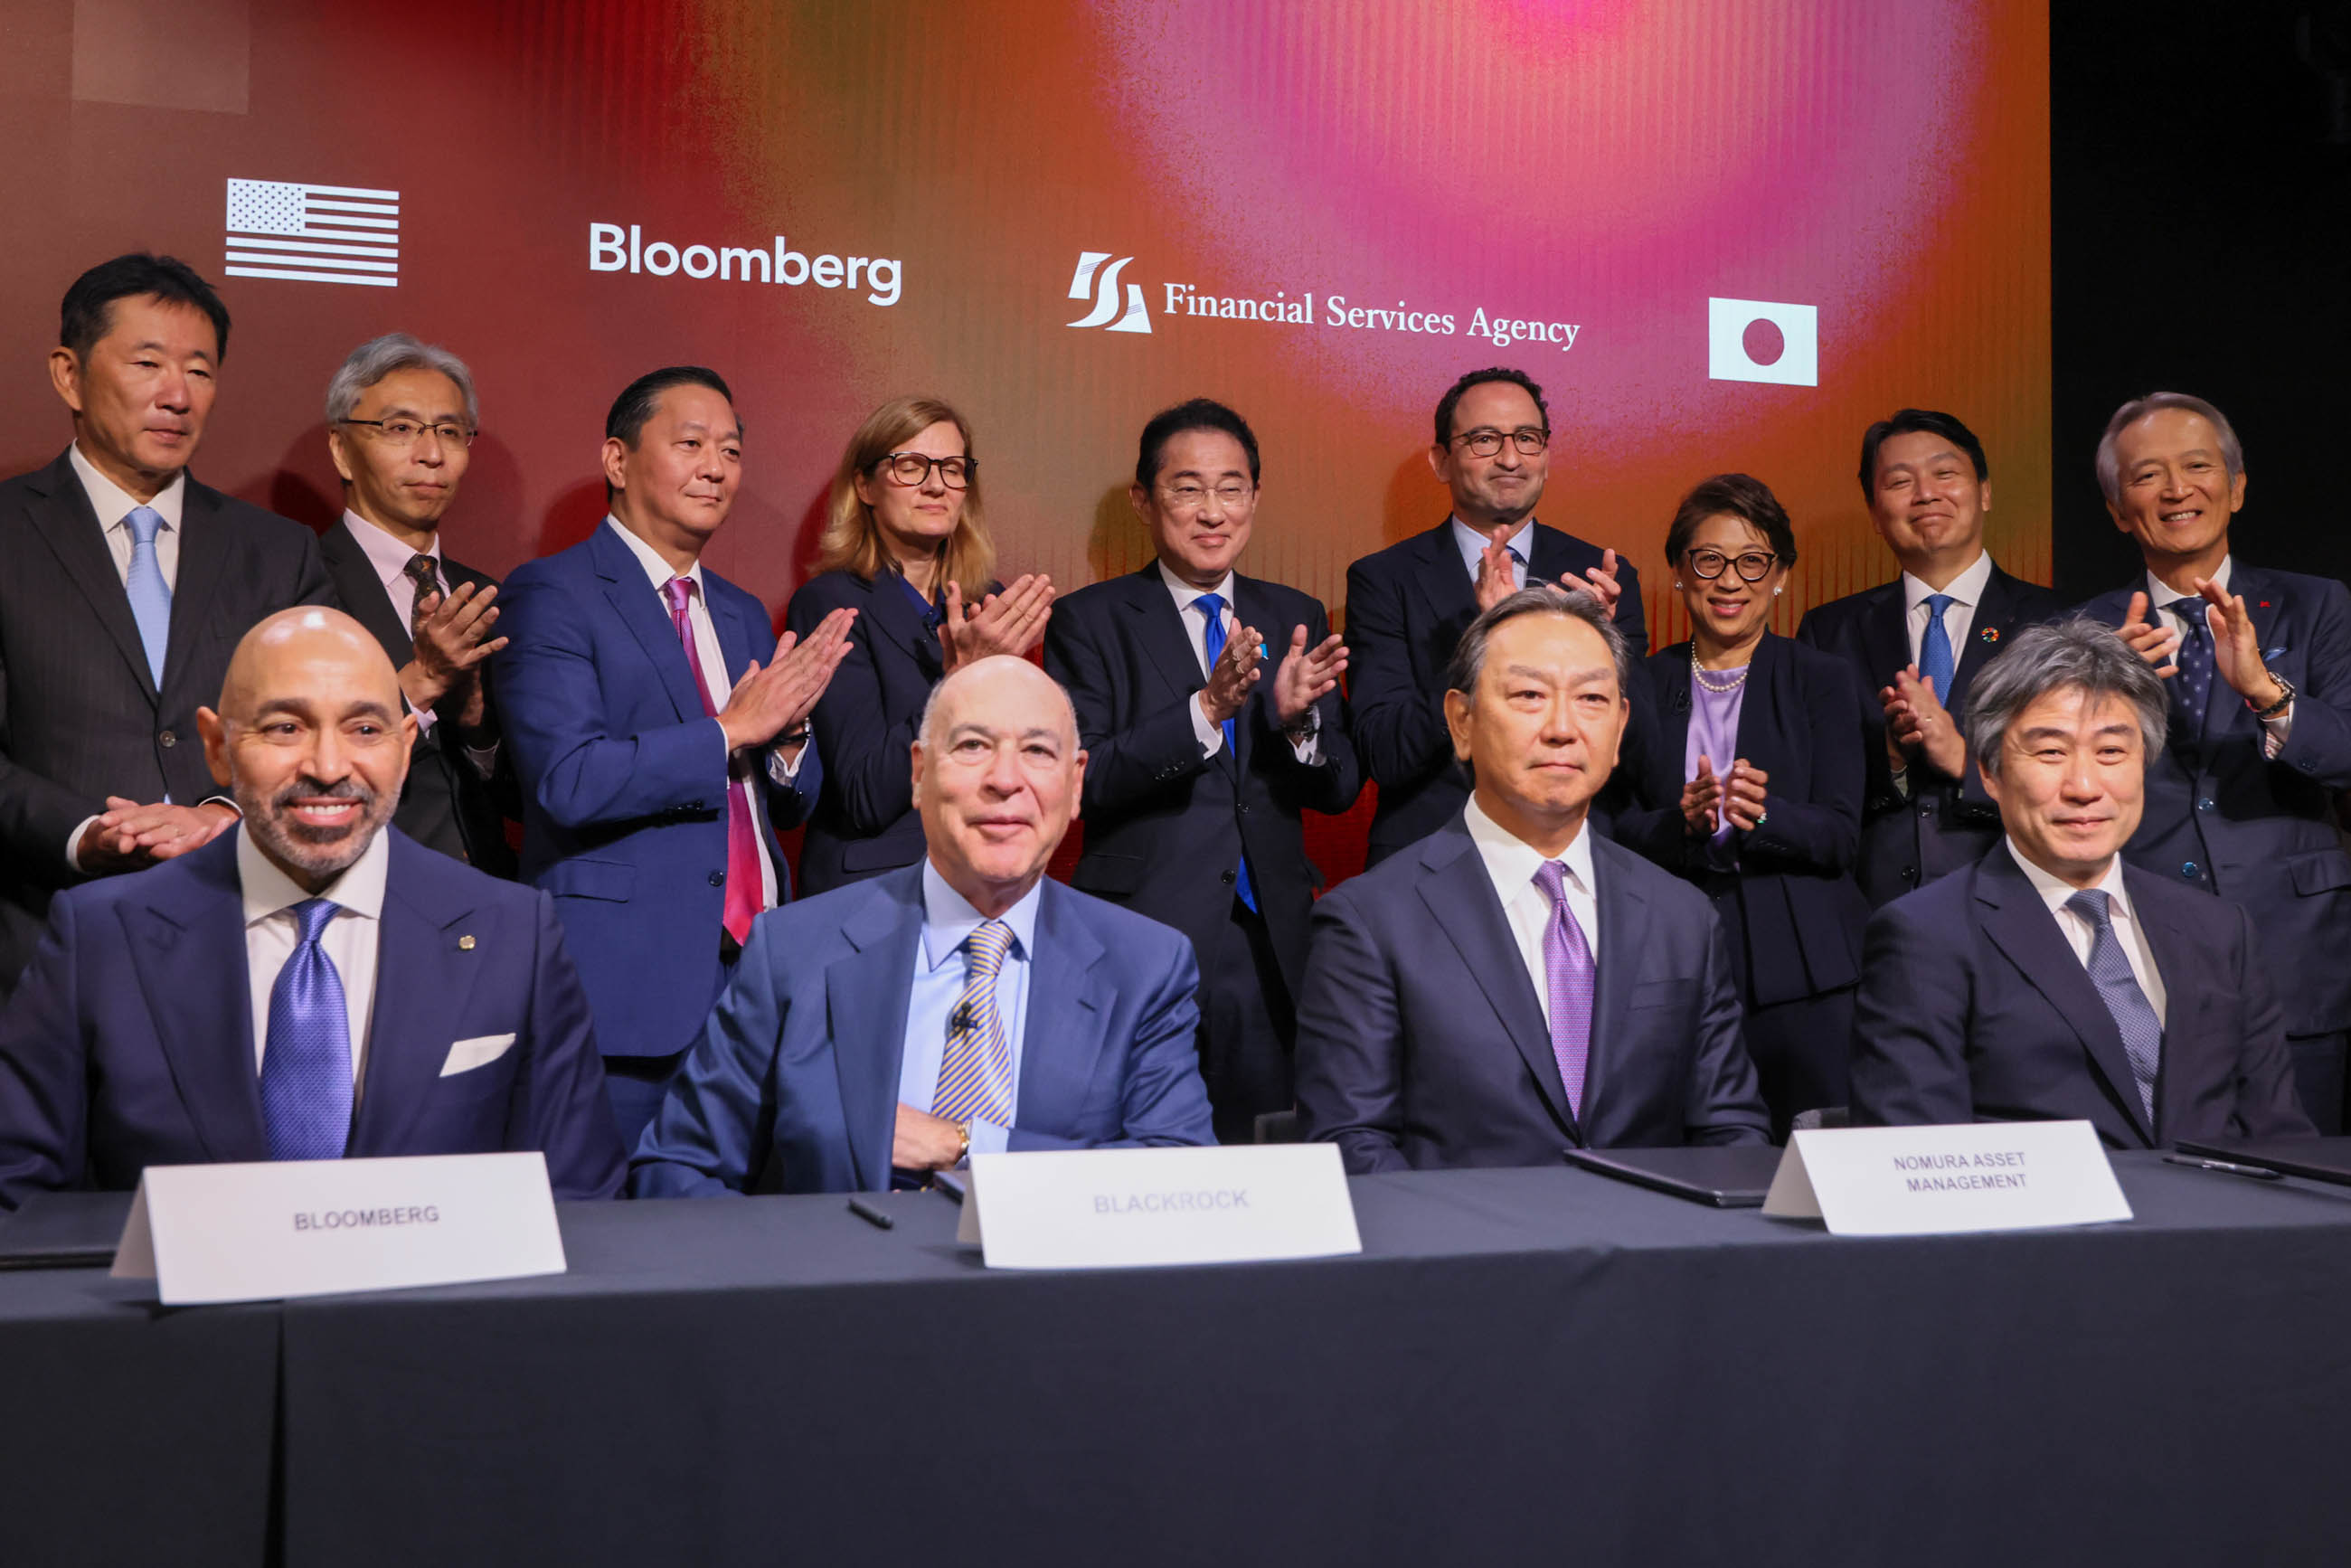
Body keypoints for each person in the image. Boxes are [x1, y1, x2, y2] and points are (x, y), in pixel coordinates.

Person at [0, 608, 627, 1209]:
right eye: (284, 728)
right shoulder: (101, 937)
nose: (328, 768)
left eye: (364, 729)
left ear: (406, 747)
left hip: (436, 1319)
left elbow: (577, 1197)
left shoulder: (513, 933)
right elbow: (15, 1199)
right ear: (217, 747)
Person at [631, 656, 1215, 1196]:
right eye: (972, 746)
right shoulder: (793, 951)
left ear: (1076, 783)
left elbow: (1178, 1183)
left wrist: (961, 1147)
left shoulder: (1146, 966)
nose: (1005, 780)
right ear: (918, 773)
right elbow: (680, 1167)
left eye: (1038, 751)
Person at [494, 367, 856, 1148]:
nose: (716, 467)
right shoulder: (550, 593)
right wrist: (730, 732)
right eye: (690, 444)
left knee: (735, 1243)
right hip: (625, 984)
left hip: (754, 976)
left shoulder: (741, 612)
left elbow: (786, 802)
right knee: (610, 1245)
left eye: (730, 449)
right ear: (617, 462)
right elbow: (567, 781)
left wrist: (788, 734)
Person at [1292, 588, 1769, 1174]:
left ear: (1619, 729)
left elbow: (1731, 1129)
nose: (1563, 727)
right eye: (1529, 696)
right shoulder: (1370, 922)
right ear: (1461, 722)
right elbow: (1353, 1147)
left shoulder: (1683, 916)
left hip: (1653, 1255)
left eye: (1591, 698)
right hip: (1464, 1256)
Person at [0, 253, 331, 995]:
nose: (177, 396)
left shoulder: (278, 553)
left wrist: (220, 812)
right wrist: (90, 834)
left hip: (240, 950)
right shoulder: (7, 534)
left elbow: (321, 732)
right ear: (68, 374)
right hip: (41, 948)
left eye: (201, 371)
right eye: (147, 363)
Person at [1849, 619, 2310, 1148]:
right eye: (2050, 752)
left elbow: (2281, 1142)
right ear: (1991, 774)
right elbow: (1915, 1164)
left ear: (2144, 764)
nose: (2084, 787)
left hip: (2221, 1226)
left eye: (2111, 751)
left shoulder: (2220, 930)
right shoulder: (1923, 938)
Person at [1045, 399, 1359, 1144]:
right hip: (1142, 934)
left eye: (1232, 487)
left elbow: (1340, 788)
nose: (1212, 511)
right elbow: (1080, 781)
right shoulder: (1090, 620)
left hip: (1270, 947)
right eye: (1188, 488)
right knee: (1138, 1164)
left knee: (1259, 1170)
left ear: (1254, 496)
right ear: (1144, 501)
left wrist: (1297, 723)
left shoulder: (1295, 614)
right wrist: (1206, 710)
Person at [2074, 392, 2351, 1133]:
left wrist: (2265, 692)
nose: (2175, 490)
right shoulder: (2087, 631)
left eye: (2197, 466)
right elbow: (2055, 793)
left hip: (2295, 952)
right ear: (2116, 508)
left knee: (2306, 1196)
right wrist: (2102, 697)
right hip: (2146, 946)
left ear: (2236, 486)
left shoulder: (2317, 606)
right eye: (2147, 476)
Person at [1617, 475, 1869, 1134]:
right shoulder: (1639, 683)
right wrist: (1685, 822)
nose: (1731, 580)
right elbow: (1612, 829)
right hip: (1671, 969)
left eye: (1753, 561)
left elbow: (1844, 833)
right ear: (1679, 570)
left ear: (1780, 574)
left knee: (1815, 1165)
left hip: (1803, 971)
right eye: (1710, 560)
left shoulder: (1822, 676)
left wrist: (1765, 815)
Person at [1346, 367, 1647, 865]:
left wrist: (1602, 650)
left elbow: (1638, 755)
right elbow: (1385, 751)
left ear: (1546, 457)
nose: (1510, 458)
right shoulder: (1384, 580)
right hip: (1433, 859)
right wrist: (1482, 635)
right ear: (1441, 461)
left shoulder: (1604, 580)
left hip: (1575, 857)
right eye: (1485, 439)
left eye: (1527, 439)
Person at [785, 397, 1053, 894]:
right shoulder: (831, 603)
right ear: (865, 485)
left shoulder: (992, 606)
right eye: (911, 466)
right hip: (875, 891)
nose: (936, 485)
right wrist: (960, 679)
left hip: (985, 886)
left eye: (952, 469)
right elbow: (864, 793)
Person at [1796, 410, 2063, 906]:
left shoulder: (2058, 624)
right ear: (1875, 513)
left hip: (2018, 905)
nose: (1925, 494)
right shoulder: (1829, 630)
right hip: (1871, 919)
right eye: (1900, 482)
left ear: (1984, 491)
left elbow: (2073, 782)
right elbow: (1813, 792)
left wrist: (1964, 762)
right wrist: (1891, 759)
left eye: (1945, 474)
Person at [317, 333, 514, 874]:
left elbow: (521, 796)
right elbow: (301, 760)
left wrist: (475, 723)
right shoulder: (298, 583)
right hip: (358, 890)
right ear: (341, 449)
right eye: (400, 429)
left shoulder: (488, 595)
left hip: (486, 898)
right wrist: (421, 682)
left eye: (450, 432)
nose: (430, 455)